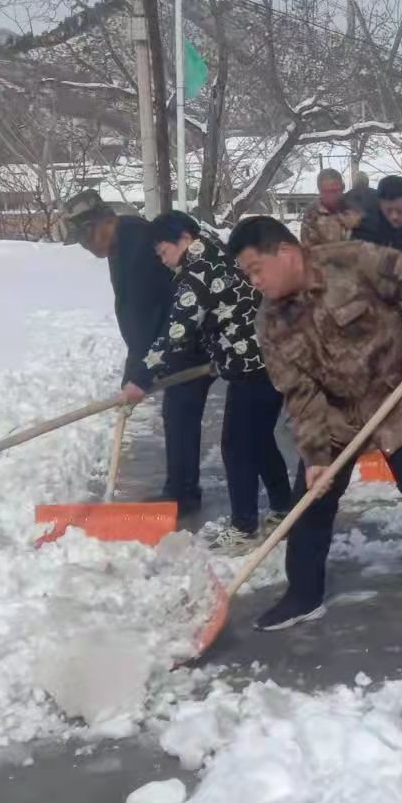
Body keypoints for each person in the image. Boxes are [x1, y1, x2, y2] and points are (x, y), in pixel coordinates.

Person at [227, 215, 402, 630]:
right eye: (248, 276)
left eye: (255, 270)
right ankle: (303, 593)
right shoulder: (271, 323)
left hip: (397, 398)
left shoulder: (352, 261)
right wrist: (315, 456)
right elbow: (300, 392)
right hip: (338, 415)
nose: (253, 283)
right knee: (311, 499)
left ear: (285, 253)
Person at [121, 212, 294, 553]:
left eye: (163, 252)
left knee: (235, 446)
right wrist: (219, 354)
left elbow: (175, 334)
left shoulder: (196, 274)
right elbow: (230, 311)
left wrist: (140, 378)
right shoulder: (217, 251)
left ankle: (244, 527)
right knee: (258, 441)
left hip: (252, 368)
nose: (164, 260)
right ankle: (283, 508)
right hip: (268, 360)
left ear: (182, 238)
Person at [60, 189, 210, 513]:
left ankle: (182, 495)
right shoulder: (119, 244)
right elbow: (134, 315)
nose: (87, 249)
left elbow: (150, 316)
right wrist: (134, 372)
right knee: (177, 415)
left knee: (180, 413)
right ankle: (181, 491)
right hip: (168, 344)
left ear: (102, 223)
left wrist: (140, 376)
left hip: (186, 344)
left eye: (86, 240)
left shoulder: (140, 245)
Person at [298, 167, 363, 247]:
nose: (332, 196)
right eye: (326, 192)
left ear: (342, 188)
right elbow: (309, 249)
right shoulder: (311, 213)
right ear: (319, 190)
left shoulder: (355, 207)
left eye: (335, 191)